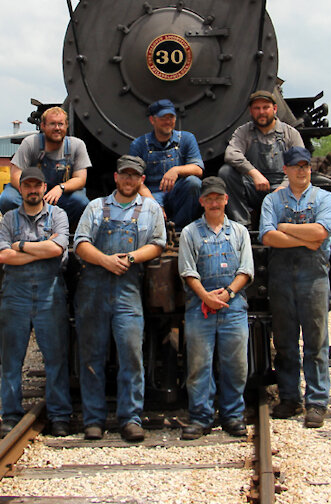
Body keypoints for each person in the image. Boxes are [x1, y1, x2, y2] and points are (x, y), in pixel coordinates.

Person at [72, 155, 167, 442]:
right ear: (116, 177)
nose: (129, 180)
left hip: (128, 287)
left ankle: (130, 417)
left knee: (131, 353)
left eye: (134, 176)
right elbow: (80, 243)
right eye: (124, 175)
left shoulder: (151, 209)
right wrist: (105, 260)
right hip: (93, 288)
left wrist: (130, 258)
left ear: (141, 180)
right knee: (91, 355)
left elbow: (158, 244)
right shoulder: (95, 207)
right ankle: (93, 419)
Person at [258, 146, 331, 429]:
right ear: (286, 170)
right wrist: (305, 239)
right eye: (296, 166)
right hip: (281, 278)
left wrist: (286, 228)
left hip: (314, 277)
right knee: (284, 343)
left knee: (316, 342)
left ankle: (317, 401)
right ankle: (290, 397)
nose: (302, 170)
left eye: (305, 166)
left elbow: (321, 233)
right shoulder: (272, 199)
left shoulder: (325, 198)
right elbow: (268, 236)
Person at [0, 167, 72, 437]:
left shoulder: (58, 215)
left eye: (37, 185)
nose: (32, 189)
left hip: (50, 291)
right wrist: (42, 250)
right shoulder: (8, 219)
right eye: (27, 185)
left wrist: (21, 247)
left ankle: (60, 414)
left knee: (56, 357)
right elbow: (2, 256)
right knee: (11, 358)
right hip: (16, 294)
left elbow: (57, 249)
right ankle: (10, 414)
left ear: (44, 186)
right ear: (21, 189)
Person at [177, 176, 253, 439]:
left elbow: (246, 269)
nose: (213, 203)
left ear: (225, 200)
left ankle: (233, 415)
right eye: (208, 198)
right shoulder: (189, 233)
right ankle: (200, 416)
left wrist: (229, 293)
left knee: (236, 363)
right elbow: (187, 271)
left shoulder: (240, 232)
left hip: (232, 306)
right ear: (201, 201)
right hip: (201, 305)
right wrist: (205, 297)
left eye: (217, 198)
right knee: (199, 364)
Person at [218, 90, 306, 225]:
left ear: (275, 109)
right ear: (250, 111)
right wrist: (254, 173)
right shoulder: (243, 132)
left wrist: (284, 187)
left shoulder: (290, 134)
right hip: (254, 187)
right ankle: (242, 225)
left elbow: (300, 165)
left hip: (282, 189)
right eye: (257, 108)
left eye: (266, 107)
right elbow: (231, 154)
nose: (261, 112)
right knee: (226, 172)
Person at [0, 106, 91, 231]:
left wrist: (61, 188)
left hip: (58, 196)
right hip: (31, 191)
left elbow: (80, 179)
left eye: (60, 124)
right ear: (43, 126)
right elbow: (15, 175)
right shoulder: (30, 143)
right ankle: (21, 230)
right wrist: (34, 193)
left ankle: (63, 231)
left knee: (80, 201)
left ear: (66, 126)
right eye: (52, 124)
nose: (57, 128)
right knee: (7, 199)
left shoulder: (77, 145)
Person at [128, 99, 204, 228]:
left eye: (171, 117)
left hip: (176, 193)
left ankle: (180, 228)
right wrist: (153, 203)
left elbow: (198, 169)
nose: (168, 121)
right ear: (153, 120)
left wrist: (176, 170)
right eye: (163, 118)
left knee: (194, 183)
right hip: (150, 193)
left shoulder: (187, 139)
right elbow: (134, 180)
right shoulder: (139, 144)